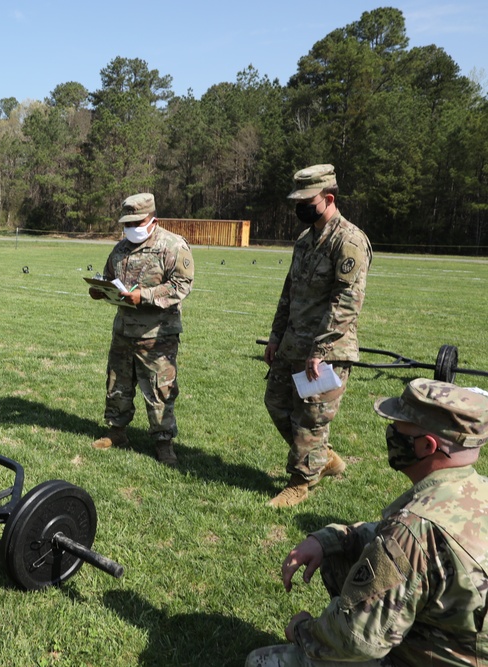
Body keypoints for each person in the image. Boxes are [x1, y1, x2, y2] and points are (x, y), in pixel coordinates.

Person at [246, 378, 488, 667]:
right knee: (344, 552)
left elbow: (356, 639)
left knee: (262, 662)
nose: (390, 434)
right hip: (463, 644)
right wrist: (329, 538)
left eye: (397, 428)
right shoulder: (474, 491)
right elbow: (398, 543)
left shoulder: (414, 528)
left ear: (426, 445)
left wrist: (301, 630)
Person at [263, 164, 372, 507]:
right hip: (294, 343)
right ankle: (322, 458)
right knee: (277, 403)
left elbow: (346, 303)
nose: (299, 208)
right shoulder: (305, 240)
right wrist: (275, 336)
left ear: (328, 198)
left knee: (311, 417)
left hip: (327, 350)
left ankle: (299, 483)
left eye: (305, 201)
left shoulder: (349, 241)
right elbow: (289, 292)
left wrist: (321, 350)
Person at [89, 192, 195, 465]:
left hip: (157, 335)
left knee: (160, 390)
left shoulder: (172, 246)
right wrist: (101, 290)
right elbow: (111, 279)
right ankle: (117, 431)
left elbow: (181, 286)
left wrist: (144, 296)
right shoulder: (120, 248)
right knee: (118, 384)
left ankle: (163, 442)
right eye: (127, 223)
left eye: (137, 222)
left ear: (153, 220)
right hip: (124, 331)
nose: (131, 228)